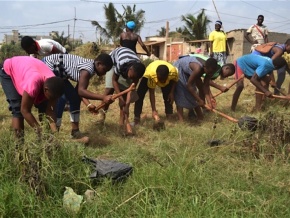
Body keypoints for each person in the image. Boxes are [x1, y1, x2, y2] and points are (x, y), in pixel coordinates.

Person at [43, 53, 114, 142]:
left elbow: (79, 92)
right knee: (60, 99)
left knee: (74, 98)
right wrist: (103, 97)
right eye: (104, 70)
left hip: (60, 73)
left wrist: (88, 105)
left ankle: (75, 131)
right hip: (50, 66)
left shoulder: (90, 69)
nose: (104, 73)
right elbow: (81, 91)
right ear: (98, 64)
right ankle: (53, 134)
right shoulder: (88, 69)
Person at [0, 56, 64, 144]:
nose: (53, 100)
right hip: (10, 70)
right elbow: (25, 110)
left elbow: (50, 111)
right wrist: (39, 131)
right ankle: (19, 148)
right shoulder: (34, 83)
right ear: (45, 89)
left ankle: (47, 145)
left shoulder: (54, 86)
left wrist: (55, 133)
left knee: (44, 107)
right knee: (17, 109)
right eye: (51, 98)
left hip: (29, 68)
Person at [104, 47, 146, 127]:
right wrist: (120, 98)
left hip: (128, 65)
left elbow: (130, 89)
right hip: (112, 63)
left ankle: (121, 124)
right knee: (109, 89)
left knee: (124, 93)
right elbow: (114, 80)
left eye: (134, 78)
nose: (131, 79)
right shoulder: (121, 64)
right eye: (131, 76)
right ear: (130, 69)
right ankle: (102, 116)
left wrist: (126, 105)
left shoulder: (138, 72)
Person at [173, 56, 223, 122]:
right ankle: (181, 120)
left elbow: (205, 86)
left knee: (194, 95)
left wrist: (209, 102)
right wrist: (199, 99)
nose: (210, 74)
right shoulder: (198, 69)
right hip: (179, 69)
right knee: (181, 93)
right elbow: (189, 86)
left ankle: (200, 118)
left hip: (189, 72)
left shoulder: (210, 70)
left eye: (212, 73)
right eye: (209, 72)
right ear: (205, 67)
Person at [133, 60, 178, 125]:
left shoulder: (173, 72)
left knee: (167, 95)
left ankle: (169, 115)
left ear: (168, 76)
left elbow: (175, 81)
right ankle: (136, 118)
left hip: (166, 72)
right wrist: (154, 110)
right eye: (160, 79)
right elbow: (152, 93)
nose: (162, 82)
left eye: (164, 80)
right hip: (149, 73)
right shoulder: (151, 75)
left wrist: (172, 92)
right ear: (157, 76)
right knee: (140, 95)